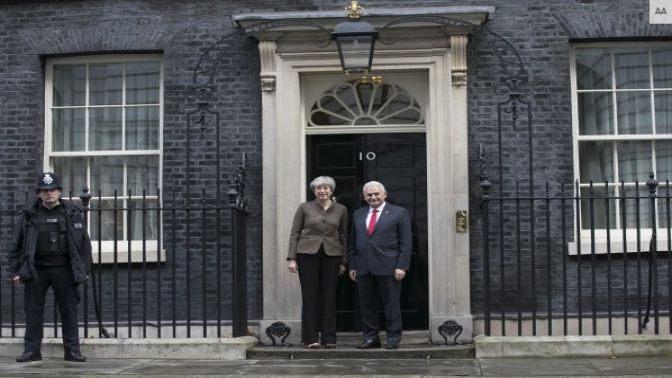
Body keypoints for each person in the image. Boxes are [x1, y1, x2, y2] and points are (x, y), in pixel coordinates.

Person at [8, 172, 92, 362]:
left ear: (59, 191)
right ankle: (32, 351)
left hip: (65, 269)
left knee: (69, 311)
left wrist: (84, 270)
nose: (48, 194)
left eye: (52, 190)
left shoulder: (71, 212)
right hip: (36, 268)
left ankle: (72, 351)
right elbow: (16, 244)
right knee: (33, 311)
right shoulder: (29, 214)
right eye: (44, 191)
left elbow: (84, 244)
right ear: (38, 193)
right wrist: (15, 271)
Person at [348, 181, 412, 350]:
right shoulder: (358, 214)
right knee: (367, 306)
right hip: (363, 266)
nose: (373, 197)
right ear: (364, 196)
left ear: (384, 194)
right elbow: (353, 243)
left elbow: (406, 242)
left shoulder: (399, 213)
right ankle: (370, 338)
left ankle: (392, 339)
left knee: (391, 305)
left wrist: (401, 266)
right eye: (369, 195)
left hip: (389, 266)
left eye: (377, 194)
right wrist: (353, 266)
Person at [287, 176, 348, 349]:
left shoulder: (341, 209)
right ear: (314, 191)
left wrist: (343, 261)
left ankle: (329, 338)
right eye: (318, 188)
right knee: (310, 295)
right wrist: (292, 258)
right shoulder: (304, 207)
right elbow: (295, 232)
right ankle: (310, 338)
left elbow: (344, 235)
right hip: (307, 254)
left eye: (325, 188)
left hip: (332, 255)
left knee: (329, 296)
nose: (322, 191)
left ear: (331, 190)